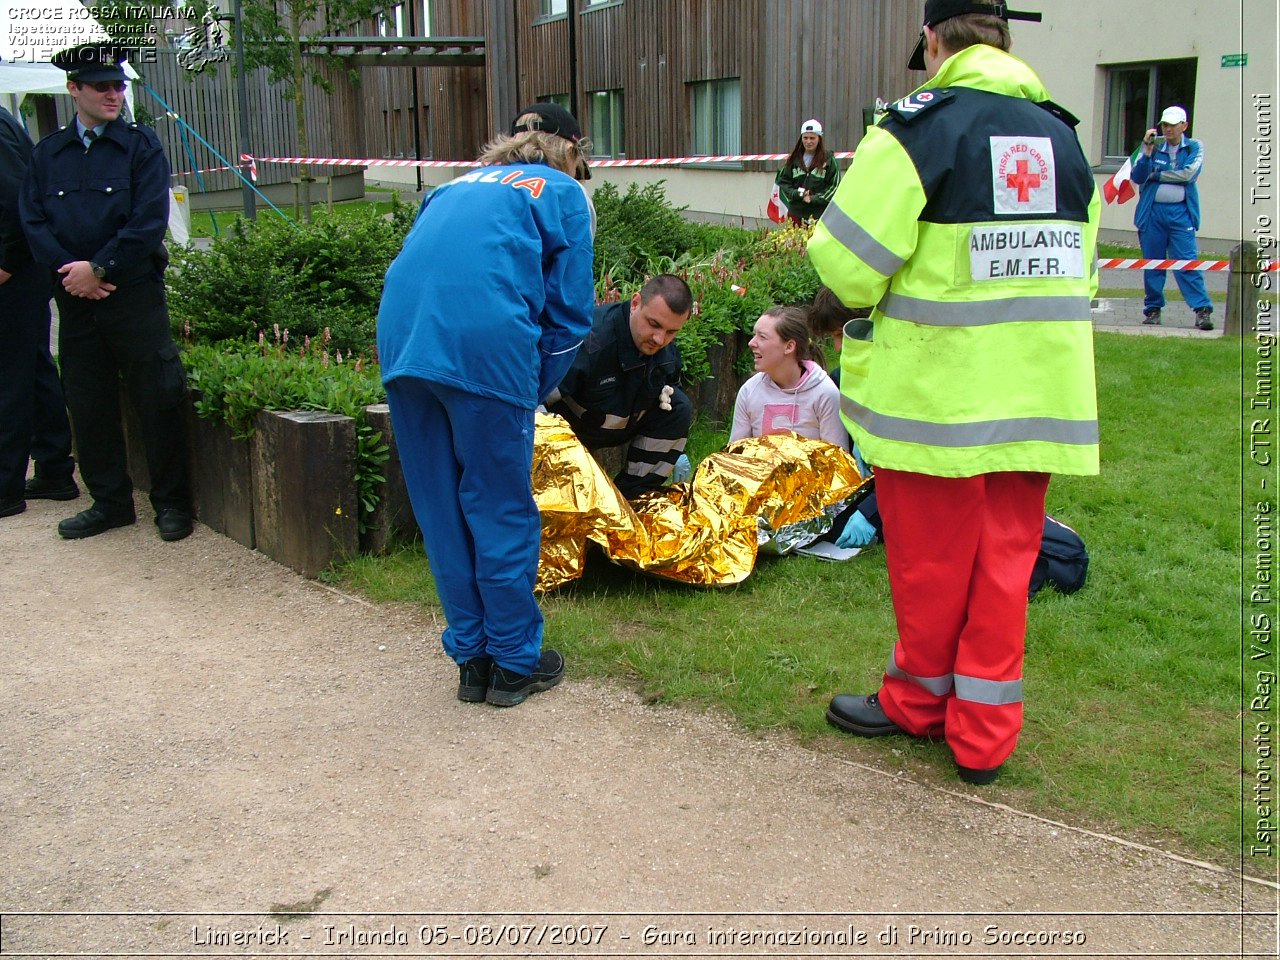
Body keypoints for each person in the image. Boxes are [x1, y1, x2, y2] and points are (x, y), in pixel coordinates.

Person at [808, 0, 1100, 785]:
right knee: (1007, 565)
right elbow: (1081, 264)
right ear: (1005, 40)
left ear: (933, 41)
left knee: (932, 566)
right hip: (1035, 398)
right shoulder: (1064, 136)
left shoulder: (918, 128)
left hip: (936, 400)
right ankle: (985, 738)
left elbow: (845, 263)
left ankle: (917, 706)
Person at [377, 102, 594, 708]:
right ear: (570, 153)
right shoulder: (564, 193)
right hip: (483, 341)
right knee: (498, 506)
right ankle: (515, 662)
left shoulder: (450, 188)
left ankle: (472, 658)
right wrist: (528, 387)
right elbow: (572, 313)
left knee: (440, 507)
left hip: (404, 340)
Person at [20, 43, 193, 542]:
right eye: (102, 86)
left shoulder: (141, 147)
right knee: (88, 403)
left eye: (119, 85)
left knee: (157, 397)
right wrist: (71, 273)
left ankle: (172, 505)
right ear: (74, 90)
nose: (114, 94)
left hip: (132, 294)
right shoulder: (47, 154)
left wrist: (98, 267)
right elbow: (33, 221)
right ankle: (110, 503)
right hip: (75, 299)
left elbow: (147, 223)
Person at [546, 274, 694, 499]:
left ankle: (631, 499)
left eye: (671, 332)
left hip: (624, 422)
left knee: (679, 407)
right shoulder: (590, 341)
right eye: (654, 324)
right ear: (635, 303)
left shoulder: (665, 352)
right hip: (572, 431)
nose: (660, 339)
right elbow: (534, 402)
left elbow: (672, 388)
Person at [0, 104, 79, 520]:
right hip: (19, 267)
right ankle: (52, 468)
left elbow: (18, 198)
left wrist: (8, 262)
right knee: (31, 366)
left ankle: (5, 487)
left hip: (12, 269)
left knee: (9, 376)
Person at [1130, 105, 1213, 330]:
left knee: (1187, 261)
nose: (1167, 129)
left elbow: (1188, 174)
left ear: (1184, 126)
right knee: (1153, 263)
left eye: (1173, 125)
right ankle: (1153, 309)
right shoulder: (1153, 147)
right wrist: (1147, 151)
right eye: (1164, 125)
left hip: (1181, 213)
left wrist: (1156, 175)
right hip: (1152, 213)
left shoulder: (1194, 146)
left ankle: (1202, 310)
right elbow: (1137, 175)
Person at [730, 305, 846, 449]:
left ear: (789, 346)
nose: (751, 343)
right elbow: (734, 455)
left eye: (762, 337)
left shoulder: (825, 393)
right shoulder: (749, 391)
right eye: (754, 335)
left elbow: (838, 458)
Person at [774, 119, 842, 224]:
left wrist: (814, 199)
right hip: (796, 215)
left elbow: (834, 187)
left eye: (812, 138)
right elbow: (783, 182)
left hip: (820, 215)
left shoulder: (829, 160)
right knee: (795, 241)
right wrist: (796, 193)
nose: (808, 141)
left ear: (819, 138)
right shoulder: (793, 159)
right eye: (805, 138)